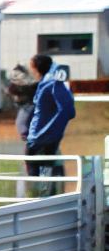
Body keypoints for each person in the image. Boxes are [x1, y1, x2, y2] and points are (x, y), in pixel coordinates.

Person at [23, 55, 76, 196]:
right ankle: (44, 197)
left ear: (37, 68)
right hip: (43, 136)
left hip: (42, 137)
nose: (31, 71)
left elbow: (68, 110)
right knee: (47, 168)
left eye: (32, 67)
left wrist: (48, 131)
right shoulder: (48, 83)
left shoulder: (51, 84)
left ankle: (38, 200)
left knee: (39, 167)